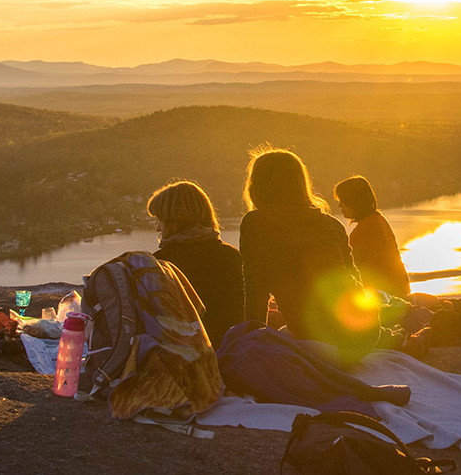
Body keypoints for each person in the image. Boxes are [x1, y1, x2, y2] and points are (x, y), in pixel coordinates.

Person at [239, 148, 378, 361]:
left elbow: (255, 290)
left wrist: (252, 346)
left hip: (324, 340)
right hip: (366, 334)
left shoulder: (255, 223)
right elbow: (355, 281)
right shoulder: (332, 224)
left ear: (257, 185)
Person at [147, 181, 244, 345]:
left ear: (175, 220)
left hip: (183, 354)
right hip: (230, 350)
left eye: (161, 219)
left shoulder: (162, 264)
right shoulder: (231, 256)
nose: (158, 228)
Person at [333, 176, 411, 299]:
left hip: (384, 295)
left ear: (354, 201)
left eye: (343, 200)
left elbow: (350, 267)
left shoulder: (365, 229)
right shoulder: (379, 220)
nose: (340, 205)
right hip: (399, 289)